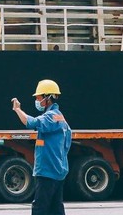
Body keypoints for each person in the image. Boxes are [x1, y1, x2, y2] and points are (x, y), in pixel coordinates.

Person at [11, 79, 71, 215]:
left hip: (47, 171)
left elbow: (31, 122)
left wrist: (17, 109)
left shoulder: (51, 117)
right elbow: (67, 143)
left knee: (40, 208)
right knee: (55, 209)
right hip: (57, 170)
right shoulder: (60, 117)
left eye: (38, 97)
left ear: (48, 97)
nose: (37, 100)